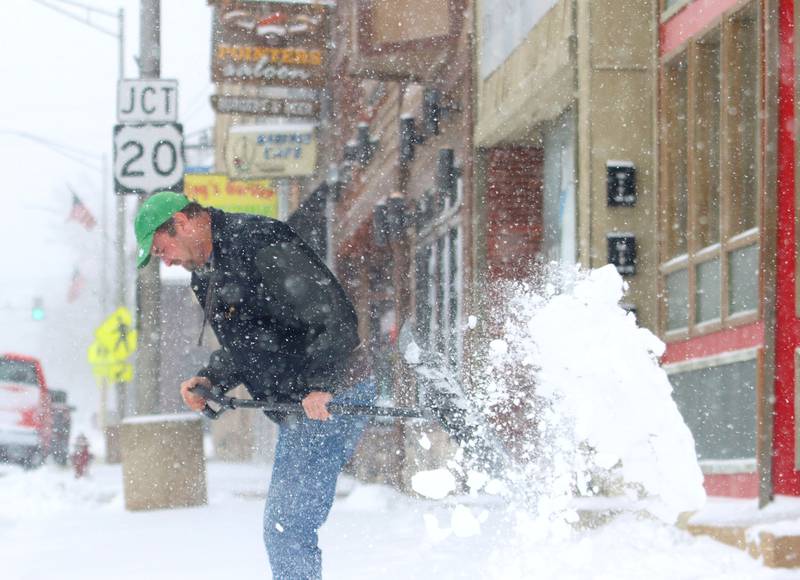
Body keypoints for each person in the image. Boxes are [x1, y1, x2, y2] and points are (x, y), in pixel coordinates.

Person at [134, 191, 374, 579]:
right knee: (287, 526)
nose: (168, 261)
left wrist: (322, 383)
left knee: (287, 527)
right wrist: (213, 378)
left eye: (163, 249)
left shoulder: (259, 241)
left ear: (180, 223)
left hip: (333, 394)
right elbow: (249, 343)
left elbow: (331, 311)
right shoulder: (206, 274)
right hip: (302, 403)